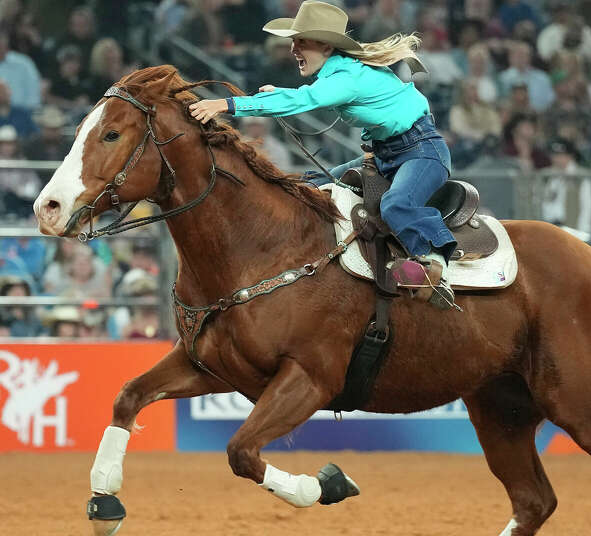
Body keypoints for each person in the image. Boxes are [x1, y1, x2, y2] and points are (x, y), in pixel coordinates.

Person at [189, 1, 456, 309]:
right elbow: (313, 96)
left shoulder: (345, 79)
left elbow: (305, 99)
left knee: (396, 204)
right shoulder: (342, 74)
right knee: (307, 184)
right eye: (293, 42)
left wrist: (227, 105)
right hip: (386, 155)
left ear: (326, 46)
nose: (293, 49)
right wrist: (277, 94)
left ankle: (434, 266)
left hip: (422, 152)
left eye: (301, 41)